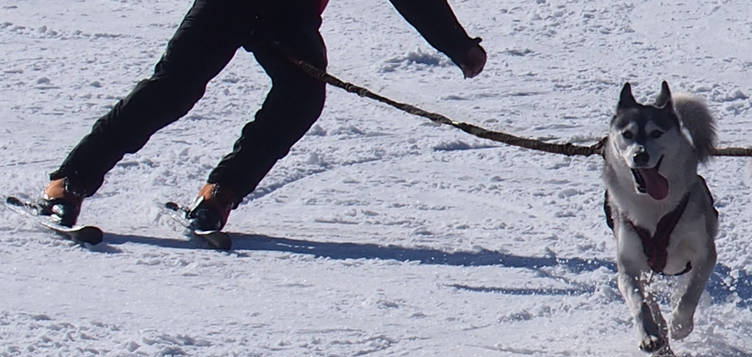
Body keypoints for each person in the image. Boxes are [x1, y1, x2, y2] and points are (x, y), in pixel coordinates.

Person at [38, 0, 487, 231]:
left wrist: (456, 43)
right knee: (173, 90)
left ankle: (220, 194)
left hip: (290, 18)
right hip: (231, 5)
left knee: (302, 98)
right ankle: (70, 180)